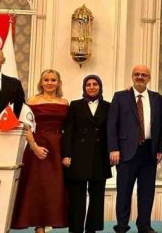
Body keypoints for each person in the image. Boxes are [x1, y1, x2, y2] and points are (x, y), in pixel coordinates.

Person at [107, 65, 162, 233]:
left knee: (147, 191)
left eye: (144, 75)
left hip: (149, 151)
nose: (140, 77)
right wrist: (113, 148)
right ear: (132, 76)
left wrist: (160, 148)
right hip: (126, 151)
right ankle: (122, 225)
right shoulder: (120, 97)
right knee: (124, 190)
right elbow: (112, 125)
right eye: (137, 74)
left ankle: (144, 225)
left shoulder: (157, 98)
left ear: (149, 78)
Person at [11, 69, 69, 232]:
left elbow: (69, 127)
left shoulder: (65, 102)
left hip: (58, 148)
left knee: (53, 187)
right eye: (46, 80)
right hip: (37, 146)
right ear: (41, 82)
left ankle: (49, 221)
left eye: (53, 80)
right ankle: (39, 225)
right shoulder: (32, 100)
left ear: (58, 82)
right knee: (37, 186)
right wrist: (34, 146)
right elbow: (26, 126)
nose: (49, 83)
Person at [62, 74, 112, 233]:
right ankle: (76, 229)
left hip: (100, 155)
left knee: (97, 196)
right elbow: (68, 132)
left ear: (100, 87)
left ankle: (92, 229)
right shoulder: (75, 105)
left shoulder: (108, 106)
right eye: (88, 84)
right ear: (84, 87)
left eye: (95, 84)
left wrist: (111, 152)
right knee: (77, 196)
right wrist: (66, 154)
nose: (91, 87)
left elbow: (112, 132)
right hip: (78, 155)